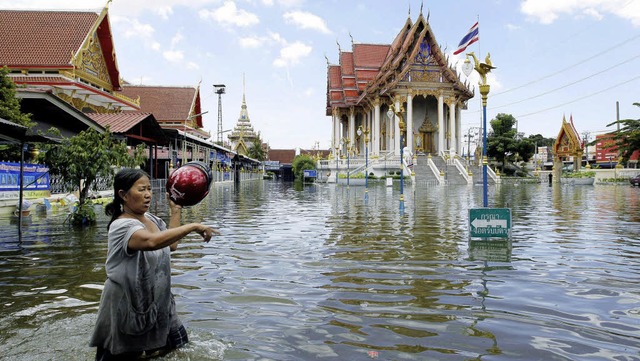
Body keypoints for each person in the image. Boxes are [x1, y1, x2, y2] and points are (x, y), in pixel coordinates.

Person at [90, 168, 218, 360]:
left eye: (149, 189)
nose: (148, 194)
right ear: (123, 195)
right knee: (120, 353)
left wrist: (176, 210)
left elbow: (171, 245)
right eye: (141, 190)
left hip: (157, 301)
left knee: (179, 345)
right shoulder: (121, 226)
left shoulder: (150, 219)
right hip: (126, 305)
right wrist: (193, 226)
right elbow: (151, 242)